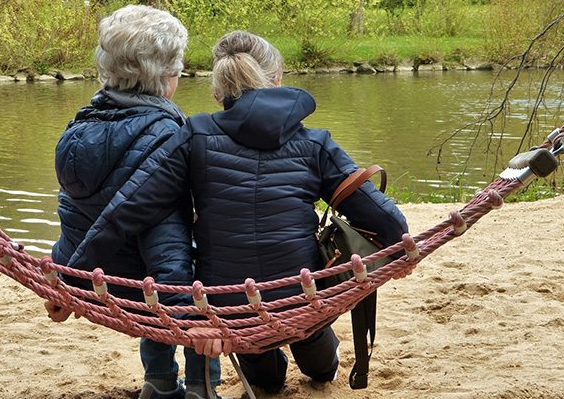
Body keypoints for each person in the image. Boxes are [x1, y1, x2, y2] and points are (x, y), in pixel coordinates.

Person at [69, 30, 408, 391]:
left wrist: (72, 278)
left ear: (218, 93)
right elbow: (383, 217)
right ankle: (315, 351)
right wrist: (402, 249)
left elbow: (129, 209)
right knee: (318, 359)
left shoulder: (193, 135)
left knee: (266, 380)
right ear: (277, 80)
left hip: (230, 308)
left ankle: (273, 358)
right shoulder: (315, 143)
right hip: (302, 295)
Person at [43, 4, 221, 399]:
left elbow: (74, 215)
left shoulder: (79, 126)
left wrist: (64, 278)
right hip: (151, 291)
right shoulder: (169, 135)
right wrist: (186, 316)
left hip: (98, 281)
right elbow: (167, 239)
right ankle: (200, 387)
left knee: (154, 270)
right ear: (167, 78)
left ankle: (157, 381)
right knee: (203, 268)